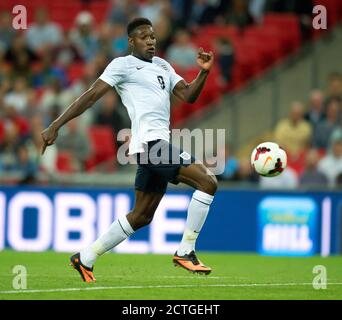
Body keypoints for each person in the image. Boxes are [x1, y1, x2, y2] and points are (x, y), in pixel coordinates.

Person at [41, 17, 217, 282]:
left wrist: (203, 72)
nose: (151, 41)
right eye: (144, 37)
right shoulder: (122, 65)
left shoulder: (163, 66)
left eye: (153, 37)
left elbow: (189, 95)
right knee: (208, 181)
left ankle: (85, 257)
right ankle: (186, 250)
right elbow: (90, 96)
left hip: (152, 146)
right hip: (151, 145)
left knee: (142, 215)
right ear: (131, 41)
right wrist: (56, 124)